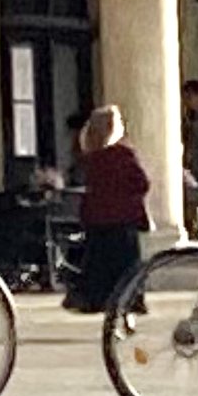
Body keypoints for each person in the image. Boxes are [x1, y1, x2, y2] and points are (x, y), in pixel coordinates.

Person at [62, 106, 150, 315]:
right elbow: (142, 183)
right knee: (128, 265)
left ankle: (96, 299)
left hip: (98, 220)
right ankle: (131, 300)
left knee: (99, 261)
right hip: (124, 220)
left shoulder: (91, 158)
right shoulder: (124, 155)